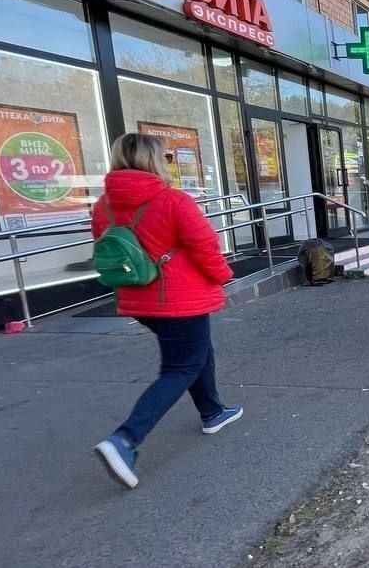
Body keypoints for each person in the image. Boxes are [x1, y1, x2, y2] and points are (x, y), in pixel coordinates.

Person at [91, 134, 239, 490]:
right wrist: (224, 279)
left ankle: (213, 411)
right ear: (155, 160)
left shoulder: (103, 206)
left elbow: (106, 249)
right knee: (180, 366)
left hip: (139, 300)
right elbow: (205, 246)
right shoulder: (173, 200)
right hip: (179, 299)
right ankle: (125, 440)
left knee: (195, 352)